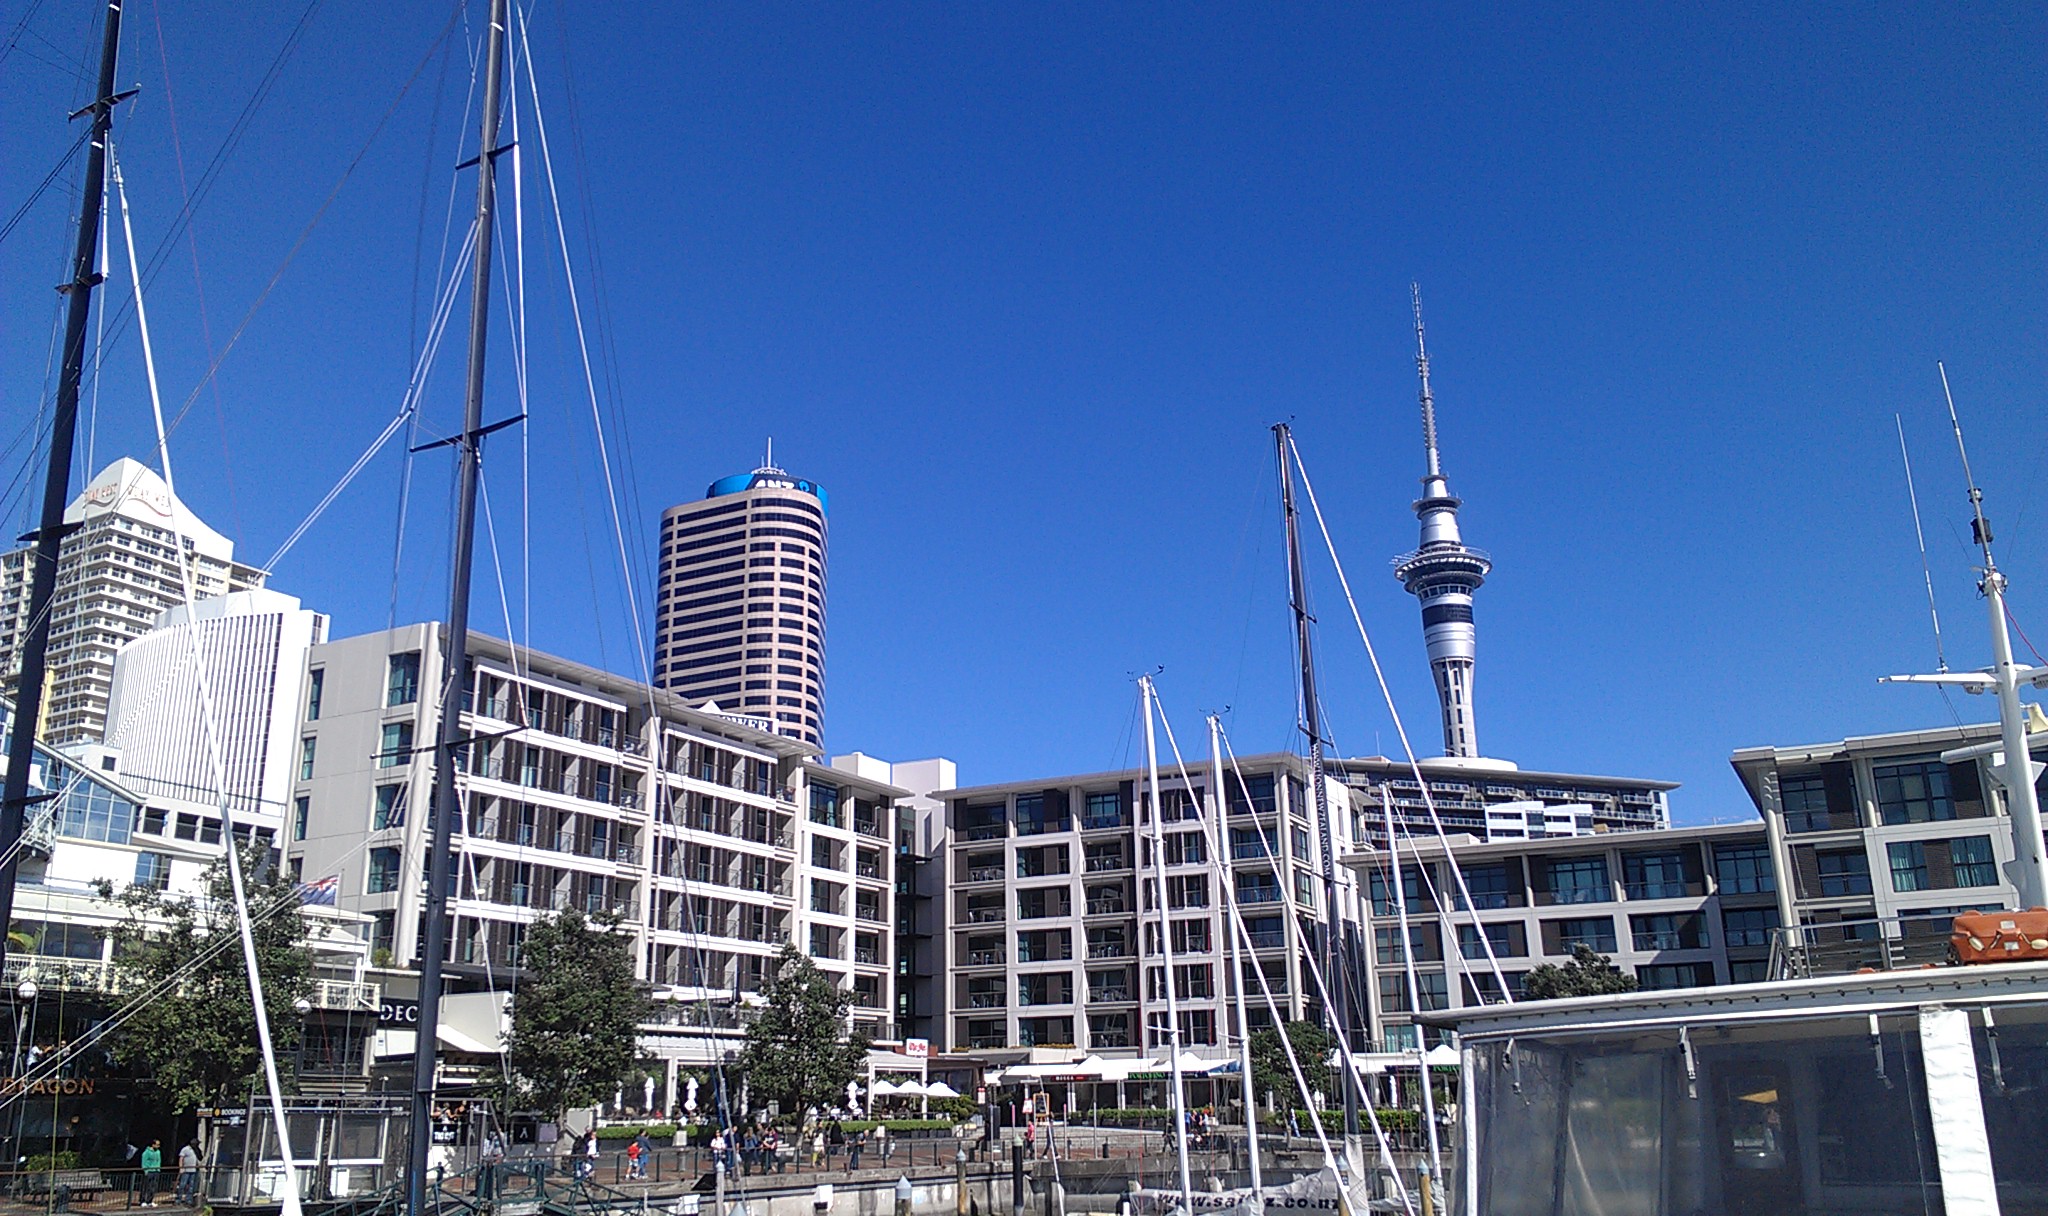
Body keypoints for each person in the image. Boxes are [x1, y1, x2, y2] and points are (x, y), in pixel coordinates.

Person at [174, 1139, 201, 1206]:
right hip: (186, 1170)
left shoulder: (195, 1150)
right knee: (182, 1185)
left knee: (191, 1186)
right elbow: (181, 1158)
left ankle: (188, 1200)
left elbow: (199, 1158)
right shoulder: (185, 1149)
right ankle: (178, 1199)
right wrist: (181, 1168)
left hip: (193, 1170)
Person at [140, 1140, 163, 1207]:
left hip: (156, 1171)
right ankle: (143, 1200)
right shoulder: (146, 1152)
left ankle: (150, 1201)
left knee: (153, 1187)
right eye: (157, 1145)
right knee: (146, 1186)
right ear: (153, 1145)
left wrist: (158, 1169)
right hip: (149, 1171)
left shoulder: (158, 1152)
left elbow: (159, 1161)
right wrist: (146, 1170)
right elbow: (144, 1162)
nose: (158, 1146)